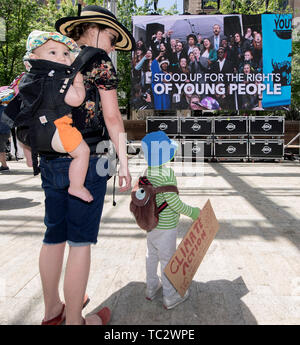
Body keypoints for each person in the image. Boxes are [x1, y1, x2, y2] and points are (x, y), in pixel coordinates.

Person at [24, 5, 135, 326]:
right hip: (89, 159)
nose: (113, 46)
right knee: (80, 241)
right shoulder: (99, 61)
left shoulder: (53, 56)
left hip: (51, 156)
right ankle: (76, 320)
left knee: (53, 234)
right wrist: (125, 162)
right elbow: (113, 118)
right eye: (112, 38)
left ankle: (52, 311)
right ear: (96, 30)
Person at [17, 31, 93, 203]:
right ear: (34, 58)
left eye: (66, 53)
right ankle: (77, 186)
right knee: (82, 152)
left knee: (25, 124)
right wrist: (78, 82)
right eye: (53, 52)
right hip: (55, 130)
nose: (62, 58)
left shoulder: (27, 80)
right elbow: (77, 100)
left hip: (29, 133)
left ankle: (29, 157)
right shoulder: (59, 79)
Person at [140, 131, 200, 309]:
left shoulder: (147, 171)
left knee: (151, 255)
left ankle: (151, 288)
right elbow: (174, 203)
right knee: (167, 260)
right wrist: (193, 212)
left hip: (151, 224)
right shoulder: (167, 174)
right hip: (166, 227)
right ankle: (170, 296)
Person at [0, 105, 11, 171]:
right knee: (1, 149)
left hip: (1, 132)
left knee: (1, 150)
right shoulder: (6, 108)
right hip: (6, 131)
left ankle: (4, 166)